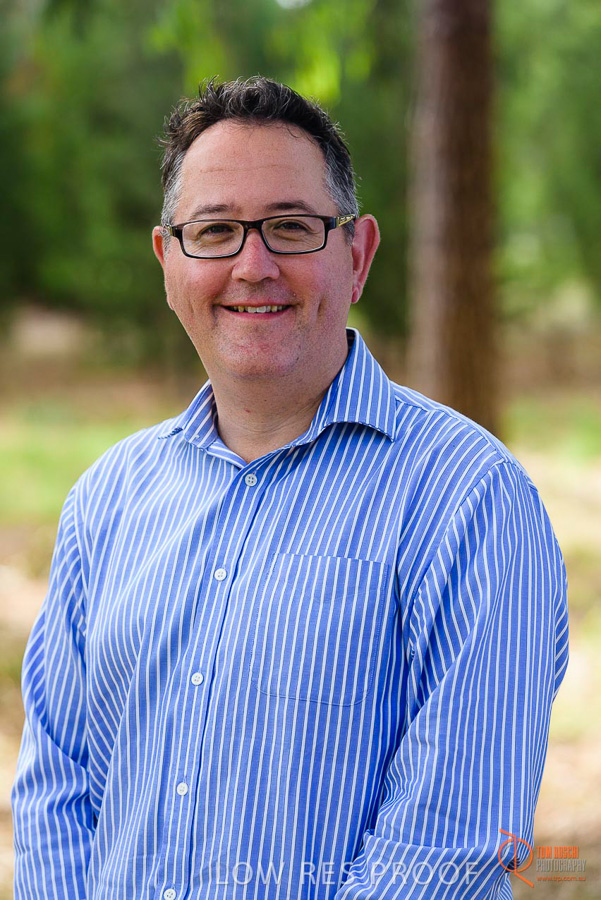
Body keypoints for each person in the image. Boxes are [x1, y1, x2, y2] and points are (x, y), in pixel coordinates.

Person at [12, 76, 568, 900]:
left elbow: (449, 842)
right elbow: (55, 791)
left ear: (357, 254)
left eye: (290, 227)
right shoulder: (107, 501)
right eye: (214, 231)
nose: (252, 265)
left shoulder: (468, 499)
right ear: (168, 262)